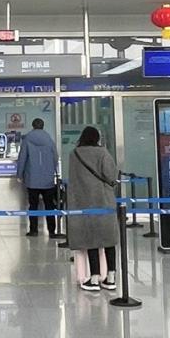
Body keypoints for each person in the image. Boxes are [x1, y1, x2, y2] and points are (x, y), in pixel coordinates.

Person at [65, 125, 120, 292]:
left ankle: (94, 278)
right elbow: (111, 175)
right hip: (104, 201)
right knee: (108, 239)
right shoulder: (103, 153)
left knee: (91, 240)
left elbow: (73, 179)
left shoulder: (74, 154)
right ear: (97, 138)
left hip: (84, 201)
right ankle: (111, 277)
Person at [15, 118, 59, 236]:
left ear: (33, 126)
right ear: (43, 126)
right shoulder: (49, 139)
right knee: (49, 205)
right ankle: (51, 231)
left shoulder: (27, 139)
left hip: (32, 179)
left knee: (33, 205)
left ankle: (33, 230)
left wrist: (19, 174)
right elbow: (55, 157)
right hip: (48, 179)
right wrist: (53, 170)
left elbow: (22, 158)